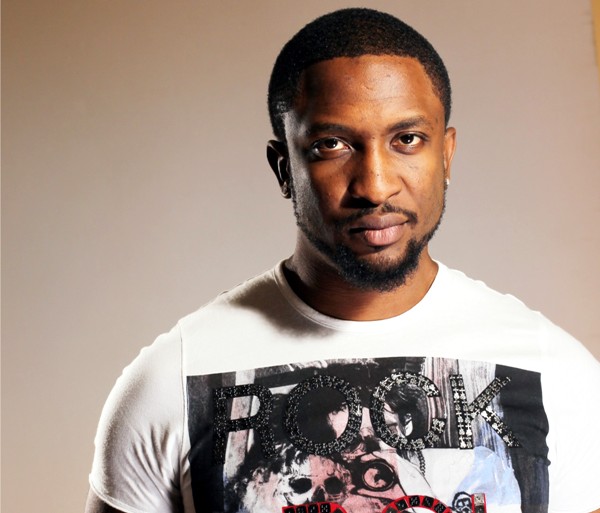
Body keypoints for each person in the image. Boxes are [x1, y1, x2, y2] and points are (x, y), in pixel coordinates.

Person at [85, 8, 600, 513]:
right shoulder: (172, 381)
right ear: (283, 168)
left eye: (407, 140)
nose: (375, 185)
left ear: (445, 155)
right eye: (332, 145)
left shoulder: (557, 373)